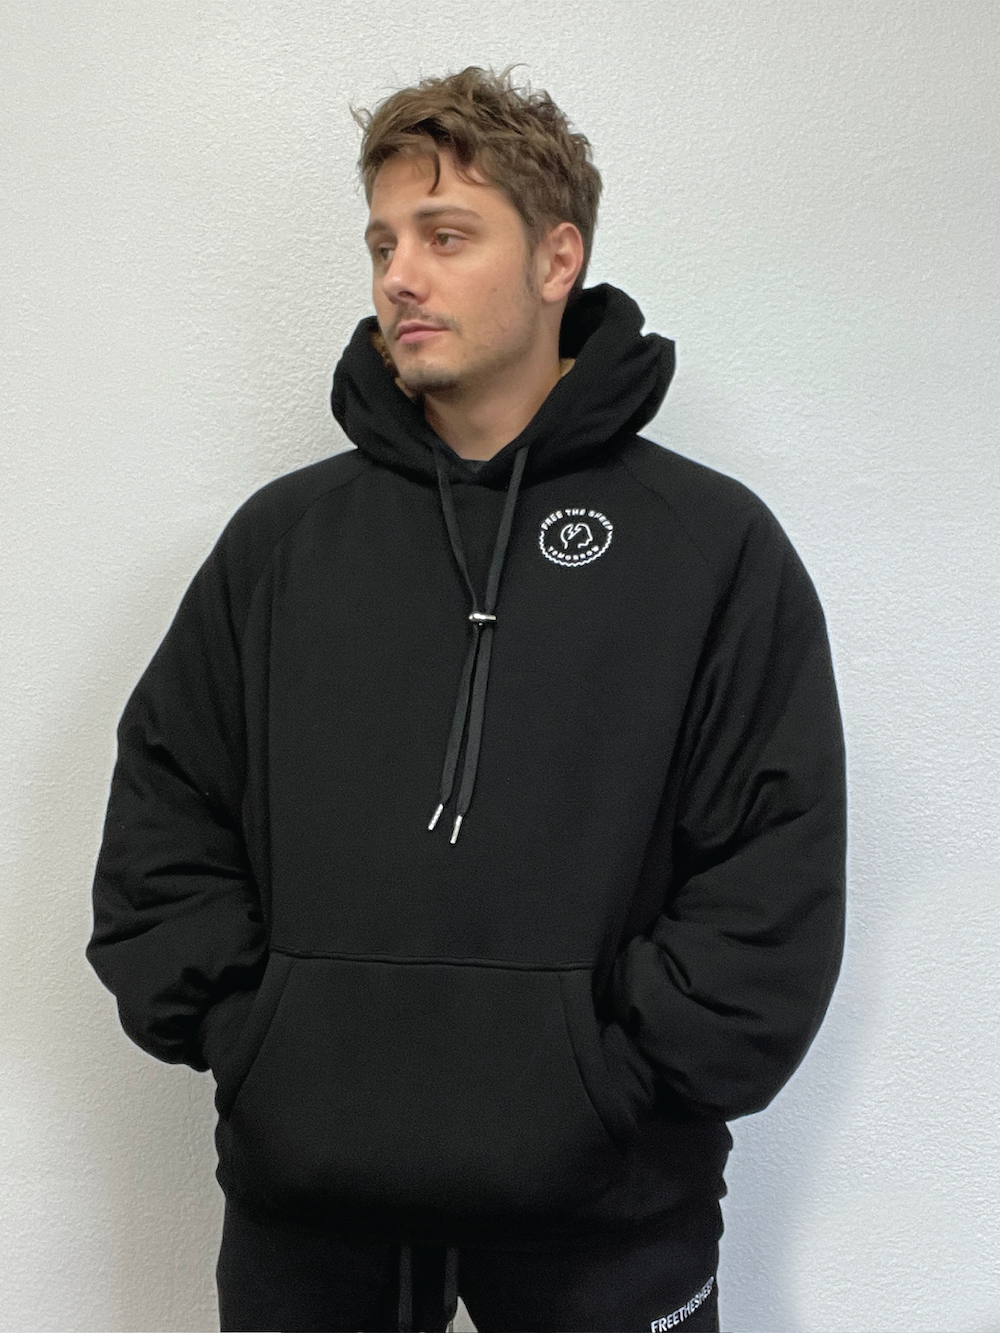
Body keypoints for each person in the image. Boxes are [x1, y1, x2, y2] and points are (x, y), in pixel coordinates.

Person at [87, 66, 846, 1333]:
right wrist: (263, 1043)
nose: (399, 276)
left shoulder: (707, 547)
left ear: (558, 258)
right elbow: (164, 819)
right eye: (383, 242)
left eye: (445, 236)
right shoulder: (283, 544)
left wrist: (612, 1078)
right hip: (312, 1220)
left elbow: (771, 871)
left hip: (607, 1221)